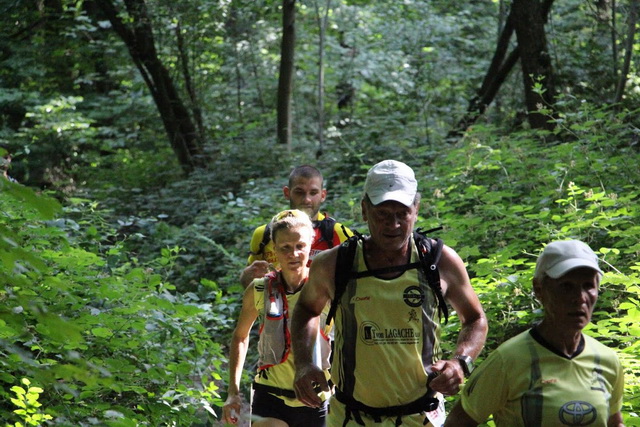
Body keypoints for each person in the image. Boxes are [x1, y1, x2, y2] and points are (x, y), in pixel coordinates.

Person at [291, 160, 488, 427]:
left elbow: (475, 319)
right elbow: (306, 310)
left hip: (421, 416)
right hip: (350, 417)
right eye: (382, 214)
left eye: (402, 213)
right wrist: (304, 363)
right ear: (364, 210)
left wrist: (460, 362)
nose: (393, 224)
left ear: (416, 210)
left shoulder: (439, 261)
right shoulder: (334, 264)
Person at [444, 240, 625, 427]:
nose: (579, 298)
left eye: (588, 285)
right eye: (566, 286)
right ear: (539, 289)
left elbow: (614, 422)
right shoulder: (508, 361)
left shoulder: (607, 360)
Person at [223, 209, 332, 427]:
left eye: (300, 246)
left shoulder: (326, 289)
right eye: (285, 248)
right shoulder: (260, 289)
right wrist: (233, 393)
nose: (294, 254)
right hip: (269, 395)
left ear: (310, 245)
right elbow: (240, 338)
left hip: (315, 397)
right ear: (274, 247)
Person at [240, 165, 352, 288]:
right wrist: (246, 278)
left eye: (313, 193)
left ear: (323, 195)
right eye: (299, 192)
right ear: (287, 193)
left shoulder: (337, 233)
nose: (307, 199)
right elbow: (251, 283)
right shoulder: (264, 234)